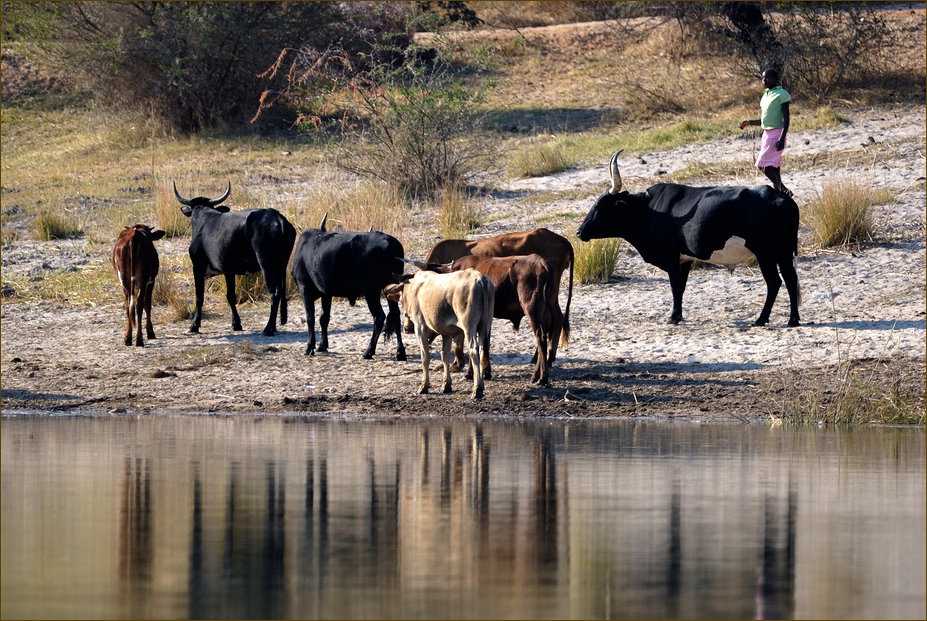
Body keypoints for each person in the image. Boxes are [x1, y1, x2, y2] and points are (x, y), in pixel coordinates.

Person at [740, 68, 793, 198]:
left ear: (775, 79)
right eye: (763, 78)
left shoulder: (782, 94)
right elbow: (765, 120)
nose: (764, 80)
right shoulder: (765, 95)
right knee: (774, 168)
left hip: (776, 133)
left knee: (761, 164)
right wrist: (749, 122)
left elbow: (786, 118)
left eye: (767, 78)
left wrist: (782, 137)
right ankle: (780, 198)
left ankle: (785, 191)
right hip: (766, 134)